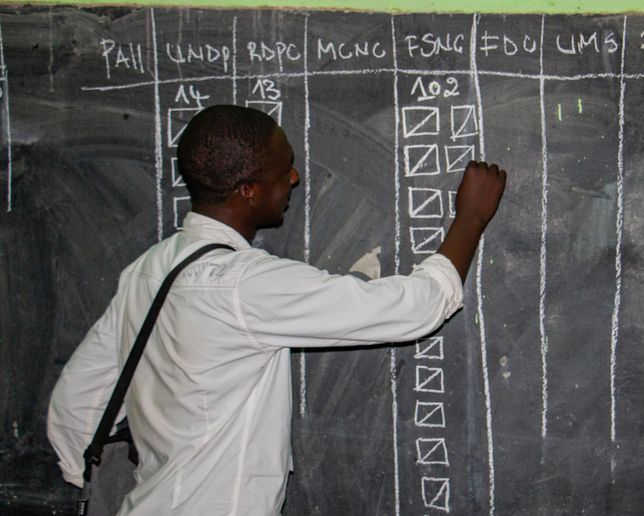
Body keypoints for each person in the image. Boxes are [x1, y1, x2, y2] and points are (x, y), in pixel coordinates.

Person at [47, 105, 506, 515]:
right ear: (247, 190)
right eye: (283, 169)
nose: (294, 178)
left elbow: (77, 401)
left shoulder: (148, 270)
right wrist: (470, 219)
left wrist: (89, 475)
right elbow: (414, 309)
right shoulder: (245, 284)